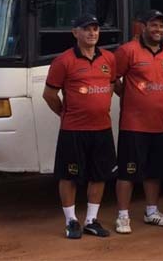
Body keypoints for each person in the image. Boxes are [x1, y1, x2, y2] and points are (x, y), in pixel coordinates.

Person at [43, 14, 117, 239]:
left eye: (95, 29)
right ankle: (71, 221)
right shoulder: (63, 61)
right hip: (73, 130)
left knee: (99, 175)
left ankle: (92, 220)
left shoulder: (109, 59)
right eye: (86, 29)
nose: (92, 33)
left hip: (102, 128)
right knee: (70, 176)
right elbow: (49, 94)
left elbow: (111, 85)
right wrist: (65, 113)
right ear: (75, 32)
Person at [114, 10, 163, 234]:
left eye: (161, 26)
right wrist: (130, 96)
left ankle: (152, 212)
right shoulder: (127, 50)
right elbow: (114, 78)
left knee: (155, 171)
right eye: (153, 25)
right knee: (127, 173)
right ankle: (123, 216)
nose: (158, 30)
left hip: (159, 124)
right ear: (142, 27)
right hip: (133, 125)